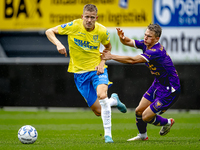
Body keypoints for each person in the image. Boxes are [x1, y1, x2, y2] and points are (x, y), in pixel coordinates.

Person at [45, 4, 127, 143]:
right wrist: (58, 44)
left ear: (96, 18)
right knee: (99, 111)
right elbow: (49, 31)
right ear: (82, 16)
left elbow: (108, 48)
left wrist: (102, 64)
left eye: (92, 17)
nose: (89, 20)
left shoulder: (102, 31)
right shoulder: (74, 26)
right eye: (87, 17)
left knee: (102, 95)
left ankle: (108, 136)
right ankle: (114, 100)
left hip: (97, 70)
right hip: (79, 73)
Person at [101, 24, 181, 141]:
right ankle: (142, 136)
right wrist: (122, 38)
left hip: (170, 89)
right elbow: (129, 42)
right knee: (138, 111)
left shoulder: (156, 51)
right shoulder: (146, 44)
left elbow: (133, 60)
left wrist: (111, 56)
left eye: (149, 36)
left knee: (146, 117)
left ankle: (167, 122)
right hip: (158, 83)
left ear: (157, 39)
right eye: (145, 35)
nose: (145, 38)